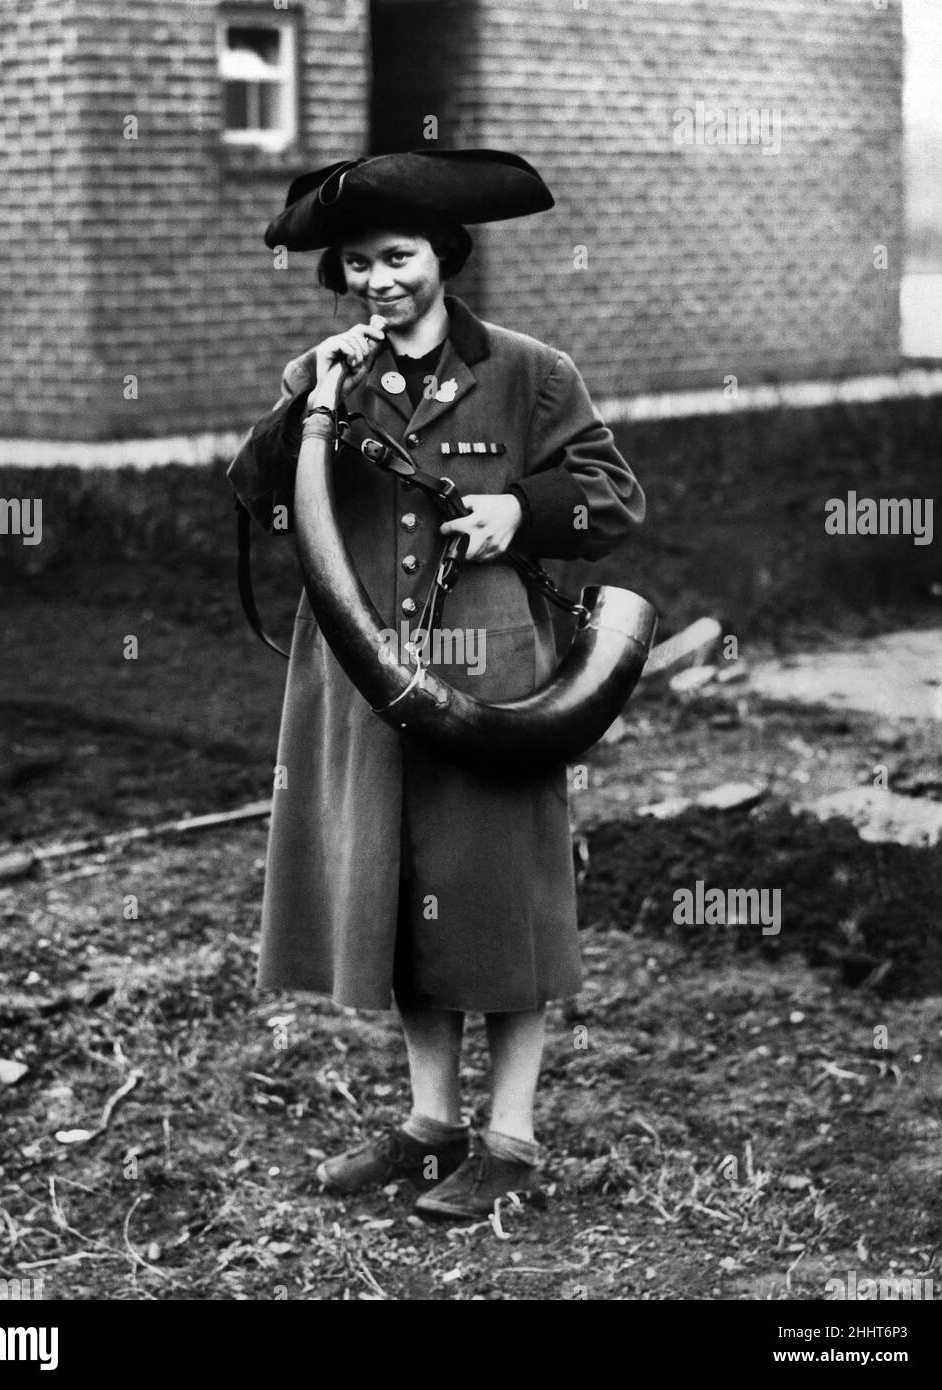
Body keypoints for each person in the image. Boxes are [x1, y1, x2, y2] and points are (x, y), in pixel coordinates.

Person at [227, 150, 646, 1219]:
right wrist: (307, 405)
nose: (379, 279)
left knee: (501, 902)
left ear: (443, 259)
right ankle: (429, 1125)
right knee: (402, 902)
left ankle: (509, 1135)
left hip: (492, 673)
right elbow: (257, 496)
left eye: (399, 256)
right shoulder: (321, 374)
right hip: (364, 677)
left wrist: (522, 511)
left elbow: (614, 497)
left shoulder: (526, 368)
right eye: (358, 262)